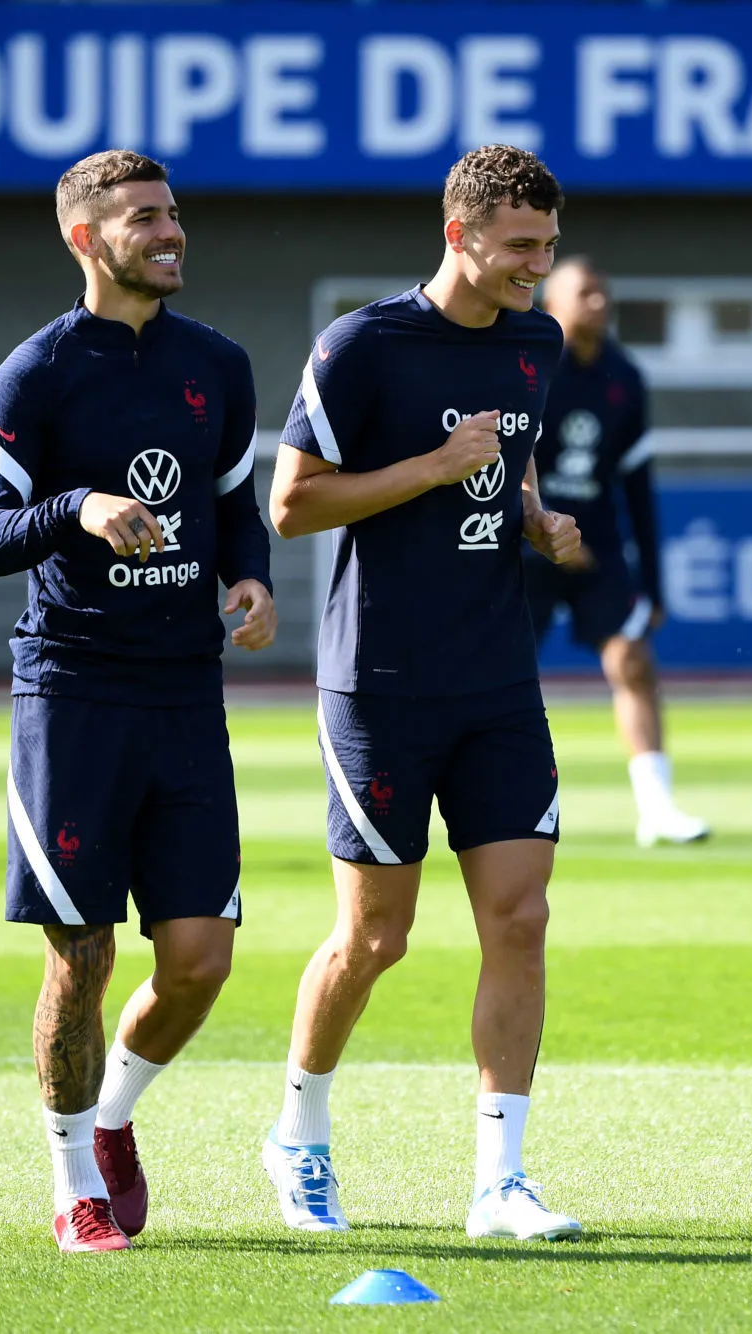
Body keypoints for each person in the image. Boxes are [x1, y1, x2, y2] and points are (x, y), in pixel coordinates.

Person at [0, 149, 277, 1254]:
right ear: (86, 238)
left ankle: (113, 1115)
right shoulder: (34, 375)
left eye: (174, 213)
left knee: (199, 960)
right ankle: (72, 1184)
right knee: (82, 952)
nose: (170, 232)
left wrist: (250, 579)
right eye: (145, 218)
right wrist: (79, 506)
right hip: (73, 693)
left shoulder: (218, 366)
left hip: (186, 692)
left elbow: (237, 504)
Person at [264, 145, 583, 1243]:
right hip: (379, 682)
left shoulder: (537, 342)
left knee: (519, 916)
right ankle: (298, 1129)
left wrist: (535, 518)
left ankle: (501, 1179)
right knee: (375, 937)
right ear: (459, 234)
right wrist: (433, 469)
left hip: (497, 677)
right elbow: (291, 505)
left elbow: (516, 458)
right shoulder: (361, 346)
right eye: (519, 248)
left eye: (546, 247)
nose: (536, 269)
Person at [528, 257, 707, 847]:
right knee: (500, 677)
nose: (599, 304)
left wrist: (653, 584)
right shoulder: (526, 361)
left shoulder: (624, 375)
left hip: (597, 550)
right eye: (586, 294)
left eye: (603, 293)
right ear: (552, 300)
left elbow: (637, 485)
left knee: (632, 660)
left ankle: (657, 810)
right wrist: (542, 529)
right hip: (521, 546)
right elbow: (498, 464)